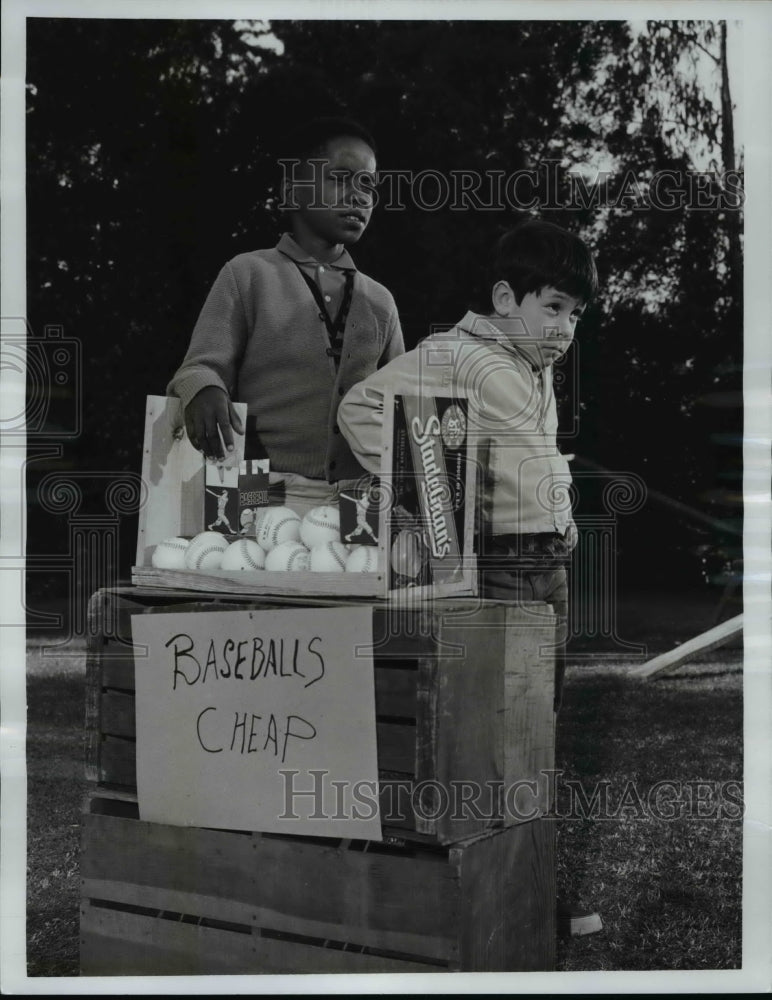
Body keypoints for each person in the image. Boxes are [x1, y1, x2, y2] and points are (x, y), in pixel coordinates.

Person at [337, 217, 602, 937]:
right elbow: (360, 408)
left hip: (550, 565)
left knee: (538, 727)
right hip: (502, 568)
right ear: (504, 297)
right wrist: (436, 492)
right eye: (553, 308)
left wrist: (563, 513)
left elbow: (538, 456)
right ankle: (497, 896)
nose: (565, 328)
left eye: (575, 315)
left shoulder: (533, 369)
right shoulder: (454, 355)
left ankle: (528, 881)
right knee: (499, 733)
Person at [167, 116, 405, 516]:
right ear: (293, 191)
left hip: (356, 501)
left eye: (368, 185)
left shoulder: (381, 302)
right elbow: (198, 368)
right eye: (341, 178)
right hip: (261, 489)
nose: (359, 196)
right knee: (263, 566)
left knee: (341, 577)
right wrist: (205, 388)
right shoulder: (247, 274)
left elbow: (403, 404)